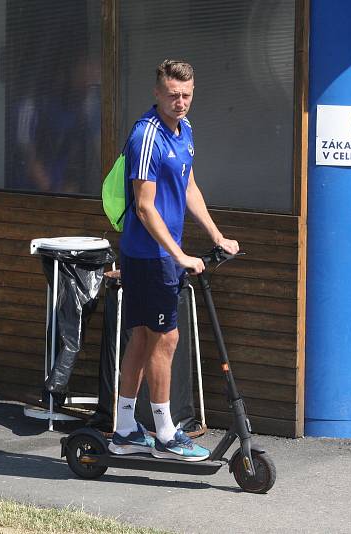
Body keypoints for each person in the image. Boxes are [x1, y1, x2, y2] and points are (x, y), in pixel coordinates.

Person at [109, 59, 239, 462]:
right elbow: (145, 208)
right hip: (149, 254)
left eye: (186, 95)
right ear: (157, 93)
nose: (180, 102)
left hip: (163, 254)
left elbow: (188, 186)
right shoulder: (145, 136)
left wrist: (216, 235)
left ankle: (125, 429)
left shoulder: (185, 131)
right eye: (172, 95)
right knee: (166, 339)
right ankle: (165, 435)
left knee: (144, 338)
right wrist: (179, 254)